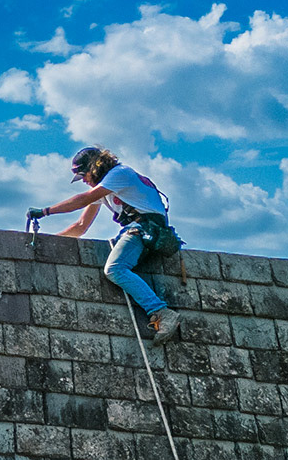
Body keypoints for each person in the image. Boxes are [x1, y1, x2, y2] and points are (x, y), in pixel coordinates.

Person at [28, 146, 182, 342]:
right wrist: (49, 241)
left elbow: (83, 199)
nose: (83, 181)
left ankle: (161, 311)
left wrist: (45, 211)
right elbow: (81, 226)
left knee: (115, 269)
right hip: (139, 229)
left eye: (84, 175)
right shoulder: (105, 188)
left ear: (95, 167)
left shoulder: (120, 173)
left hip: (146, 228)